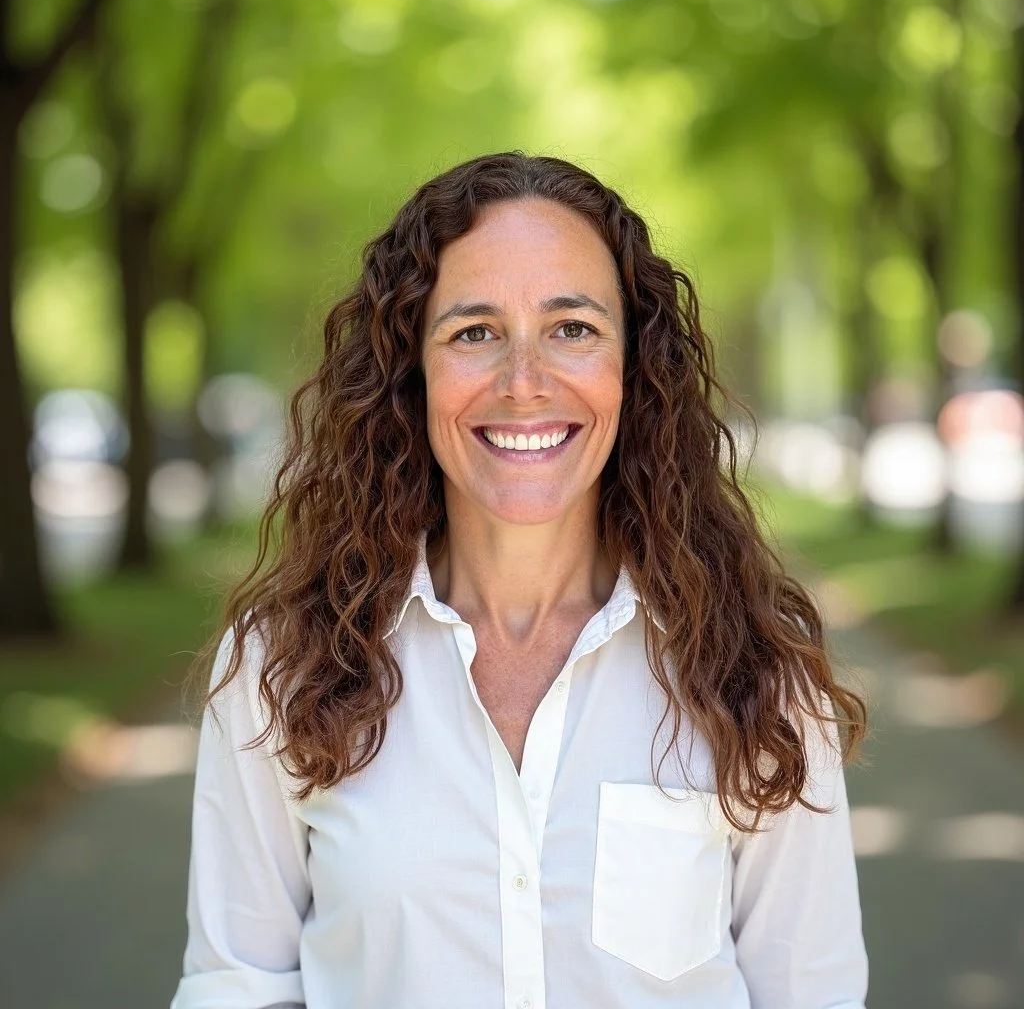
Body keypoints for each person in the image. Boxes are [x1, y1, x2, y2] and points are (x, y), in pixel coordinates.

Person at [170, 152, 869, 1009]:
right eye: (474, 332)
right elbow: (238, 986)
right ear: (409, 373)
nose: (525, 382)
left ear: (634, 367)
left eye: (572, 327)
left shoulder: (757, 674)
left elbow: (811, 994)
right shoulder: (282, 669)